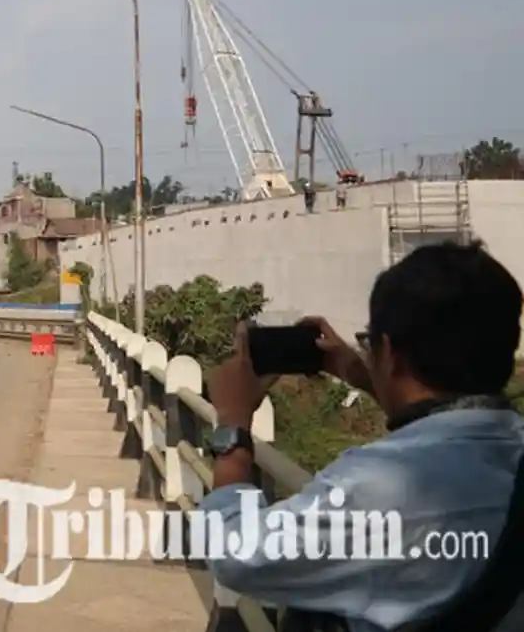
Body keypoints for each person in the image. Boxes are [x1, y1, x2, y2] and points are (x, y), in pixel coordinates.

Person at [204, 240, 524, 631]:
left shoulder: (379, 486)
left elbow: (235, 555)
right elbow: (445, 414)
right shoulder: (513, 450)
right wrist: (364, 374)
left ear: (389, 351)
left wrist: (233, 427)